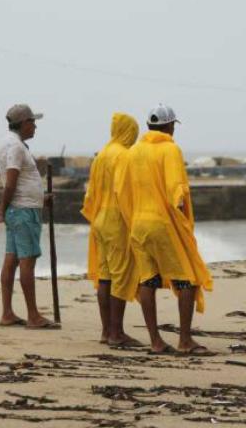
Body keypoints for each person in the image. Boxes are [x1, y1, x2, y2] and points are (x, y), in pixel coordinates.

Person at [116, 104, 213, 354]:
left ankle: (156, 341)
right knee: (187, 280)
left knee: (148, 280)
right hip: (164, 223)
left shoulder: (134, 151)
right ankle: (185, 340)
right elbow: (177, 191)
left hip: (139, 223)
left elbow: (122, 190)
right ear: (169, 126)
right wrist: (182, 225)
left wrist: (132, 219)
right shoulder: (170, 149)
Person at [0, 103, 59, 329]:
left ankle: (8, 313)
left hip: (20, 208)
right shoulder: (16, 147)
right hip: (23, 211)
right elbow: (11, 180)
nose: (35, 127)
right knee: (26, 262)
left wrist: (42, 198)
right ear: (23, 123)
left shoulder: (9, 143)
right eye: (33, 122)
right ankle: (33, 316)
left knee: (11, 260)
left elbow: (18, 182)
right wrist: (3, 206)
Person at [81, 113, 141, 346]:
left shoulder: (102, 154)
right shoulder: (123, 155)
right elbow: (125, 191)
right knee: (120, 276)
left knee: (104, 277)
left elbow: (91, 192)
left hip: (100, 219)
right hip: (117, 221)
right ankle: (117, 332)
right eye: (133, 131)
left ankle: (106, 331)